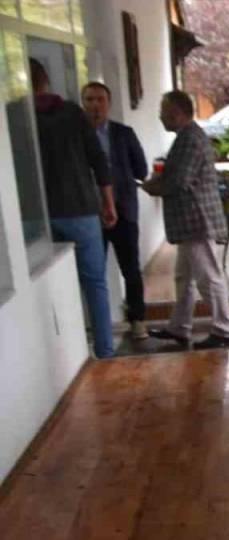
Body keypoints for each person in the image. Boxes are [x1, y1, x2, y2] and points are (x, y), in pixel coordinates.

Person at [30, 59, 117, 359]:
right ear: (46, 81)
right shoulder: (71, 113)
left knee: (49, 280)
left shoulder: (16, 114)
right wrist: (108, 203)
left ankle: (67, 351)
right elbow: (98, 160)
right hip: (80, 208)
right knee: (94, 282)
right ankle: (104, 349)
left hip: (35, 214)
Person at [140, 91, 229, 350]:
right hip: (192, 222)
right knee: (184, 277)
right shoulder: (187, 136)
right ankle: (179, 328)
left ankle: (224, 329)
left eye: (164, 111)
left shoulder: (190, 139)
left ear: (177, 113)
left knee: (208, 277)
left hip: (197, 221)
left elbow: (179, 181)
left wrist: (153, 186)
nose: (160, 116)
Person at [81, 81, 149, 341]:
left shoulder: (123, 133)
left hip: (124, 210)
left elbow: (140, 169)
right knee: (92, 270)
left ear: (108, 103)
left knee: (130, 268)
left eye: (99, 99)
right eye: (89, 100)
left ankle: (138, 319)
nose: (94, 105)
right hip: (89, 213)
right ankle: (94, 324)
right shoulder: (76, 136)